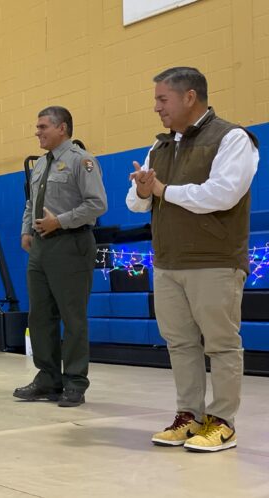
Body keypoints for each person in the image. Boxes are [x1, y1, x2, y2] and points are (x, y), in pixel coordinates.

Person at [126, 67, 259, 452]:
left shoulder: (233, 138)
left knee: (221, 344)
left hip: (214, 260)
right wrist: (143, 190)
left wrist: (162, 189)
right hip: (167, 262)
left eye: (162, 99)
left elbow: (223, 194)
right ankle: (189, 416)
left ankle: (222, 422)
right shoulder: (160, 146)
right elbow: (135, 204)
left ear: (189, 97)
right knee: (180, 344)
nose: (156, 108)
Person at [14, 106, 107, 407]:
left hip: (71, 243)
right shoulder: (41, 164)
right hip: (41, 246)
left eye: (43, 127)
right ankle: (48, 378)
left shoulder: (83, 161)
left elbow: (97, 205)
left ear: (62, 128)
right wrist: (26, 230)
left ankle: (76, 382)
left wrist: (60, 221)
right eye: (37, 127)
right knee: (39, 315)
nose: (37, 132)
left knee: (73, 316)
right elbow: (31, 201)